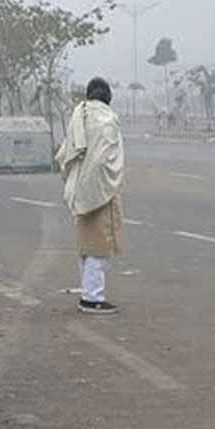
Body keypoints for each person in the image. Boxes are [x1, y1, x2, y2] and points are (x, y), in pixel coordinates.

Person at [57, 77, 125, 315]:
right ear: (108, 97)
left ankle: (88, 294)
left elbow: (65, 154)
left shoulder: (79, 116)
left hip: (79, 190)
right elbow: (106, 159)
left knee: (86, 246)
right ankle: (93, 298)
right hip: (100, 191)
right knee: (99, 246)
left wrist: (78, 182)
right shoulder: (107, 120)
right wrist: (100, 185)